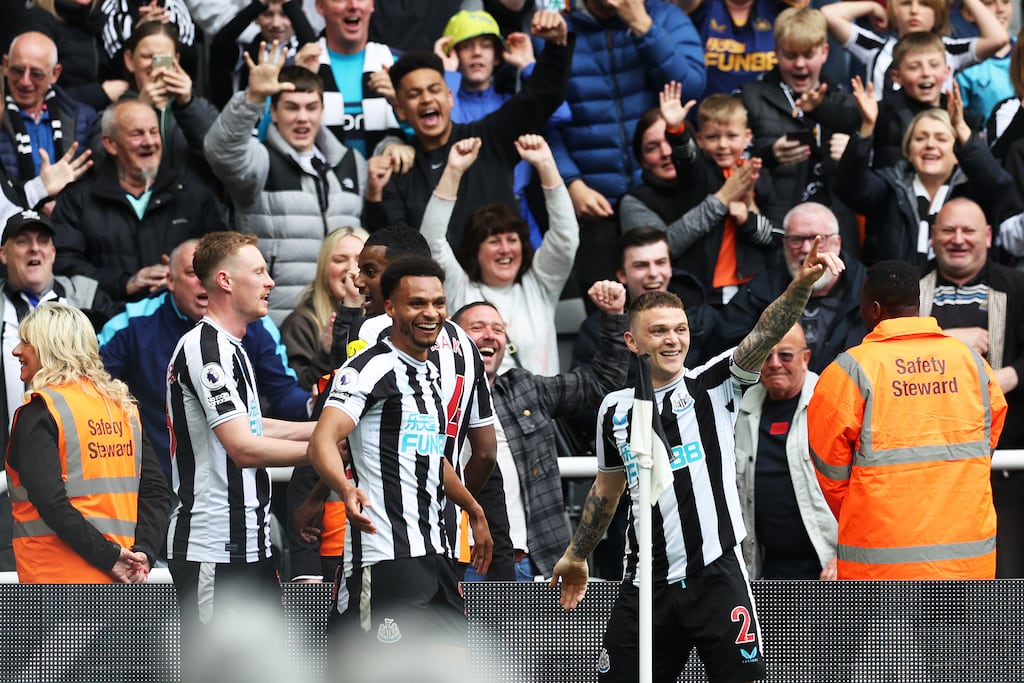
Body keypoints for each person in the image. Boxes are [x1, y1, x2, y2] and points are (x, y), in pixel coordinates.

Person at [551, 237, 845, 682]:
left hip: (717, 577)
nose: (673, 339)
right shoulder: (614, 409)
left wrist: (799, 286)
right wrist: (577, 554)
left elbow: (766, 330)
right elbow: (606, 491)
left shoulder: (716, 383)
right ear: (632, 341)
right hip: (643, 583)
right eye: (659, 331)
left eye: (680, 329)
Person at [307, 256, 492, 654]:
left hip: (436, 552)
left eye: (438, 303)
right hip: (385, 555)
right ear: (390, 307)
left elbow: (428, 456)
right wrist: (342, 487)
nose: (431, 313)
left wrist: (473, 510)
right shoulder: (367, 369)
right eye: (417, 303)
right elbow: (322, 440)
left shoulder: (430, 374)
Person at [809, 259, 1006, 580]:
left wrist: (866, 507)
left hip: (879, 563)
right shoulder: (971, 363)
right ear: (918, 303)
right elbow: (987, 441)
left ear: (872, 309)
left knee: (885, 635)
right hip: (967, 561)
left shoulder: (849, 371)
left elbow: (829, 469)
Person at [165, 232, 314, 641]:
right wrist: (323, 451)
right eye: (260, 272)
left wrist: (329, 428)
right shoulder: (204, 348)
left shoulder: (234, 346)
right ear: (227, 281)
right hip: (214, 546)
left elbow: (253, 425)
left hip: (252, 542)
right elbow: (243, 448)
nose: (270, 283)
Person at [451, 279, 631, 581]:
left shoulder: (525, 388)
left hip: (531, 561)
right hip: (459, 558)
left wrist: (613, 317)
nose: (490, 335)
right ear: (453, 340)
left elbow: (601, 383)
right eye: (478, 327)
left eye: (498, 329)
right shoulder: (432, 393)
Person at [99, 238, 311, 482]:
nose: (203, 282)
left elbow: (260, 413)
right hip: (174, 486)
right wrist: (320, 450)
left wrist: (319, 419)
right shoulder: (151, 329)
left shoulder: (250, 328)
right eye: (192, 273)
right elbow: (241, 447)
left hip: (237, 493)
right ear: (170, 280)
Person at [363, 9, 573, 250]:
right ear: (400, 110)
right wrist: (373, 196)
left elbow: (543, 95)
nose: (426, 99)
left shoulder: (490, 136)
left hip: (505, 279)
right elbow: (395, 249)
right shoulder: (400, 171)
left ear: (450, 97)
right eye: (414, 94)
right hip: (440, 286)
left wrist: (557, 44)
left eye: (434, 90)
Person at [5, 302, 170, 583]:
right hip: (121, 580)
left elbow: (51, 502)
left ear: (51, 347)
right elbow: (156, 492)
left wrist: (111, 557)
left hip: (54, 582)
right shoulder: (122, 408)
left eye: (26, 342)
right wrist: (143, 553)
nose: (16, 351)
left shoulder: (40, 411)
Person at [203, 47, 370, 324]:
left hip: (346, 317)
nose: (302, 117)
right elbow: (220, 150)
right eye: (291, 107)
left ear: (323, 110)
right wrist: (253, 98)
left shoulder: (352, 162)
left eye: (311, 107)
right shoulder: (260, 159)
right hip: (277, 319)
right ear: (274, 112)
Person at [548, 0, 705, 291]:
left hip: (664, 197)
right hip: (595, 204)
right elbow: (541, 117)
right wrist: (570, 182)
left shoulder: (664, 17)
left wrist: (643, 27)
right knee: (606, 313)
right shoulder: (558, 26)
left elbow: (691, 90)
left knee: (679, 313)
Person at [0, 209, 118, 573]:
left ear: (54, 251)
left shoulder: (89, 300)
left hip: (79, 480)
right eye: (23, 241)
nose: (34, 250)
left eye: (43, 241)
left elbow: (109, 374)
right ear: (3, 253)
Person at [918, 197, 1024, 577]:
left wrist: (1012, 374)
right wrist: (946, 339)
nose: (958, 239)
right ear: (932, 236)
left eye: (968, 231)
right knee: (938, 577)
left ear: (989, 236)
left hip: (1004, 469)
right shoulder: (910, 289)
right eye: (948, 230)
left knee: (1003, 573)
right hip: (927, 468)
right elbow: (878, 347)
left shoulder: (1018, 286)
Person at [422, 135, 577, 376]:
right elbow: (431, 242)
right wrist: (453, 171)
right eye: (494, 242)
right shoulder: (459, 288)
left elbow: (565, 238)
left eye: (512, 240)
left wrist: (546, 165)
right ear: (476, 250)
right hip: (477, 412)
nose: (506, 249)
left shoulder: (539, 285)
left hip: (539, 410)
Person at [51, 99, 223, 303]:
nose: (149, 141)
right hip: (106, 320)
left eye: (153, 132)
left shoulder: (191, 193)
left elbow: (221, 256)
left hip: (181, 319)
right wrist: (125, 283)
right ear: (110, 144)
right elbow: (64, 264)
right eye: (137, 134)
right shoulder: (77, 199)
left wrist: (181, 273)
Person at [835, 77, 1012, 266]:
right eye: (920, 138)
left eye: (941, 139)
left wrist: (960, 127)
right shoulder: (890, 187)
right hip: (899, 293)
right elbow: (850, 186)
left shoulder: (972, 190)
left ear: (957, 153)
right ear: (908, 151)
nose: (930, 145)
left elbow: (999, 184)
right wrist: (867, 127)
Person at [738, 7, 861, 248]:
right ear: (776, 53)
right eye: (791, 55)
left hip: (837, 232)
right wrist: (769, 156)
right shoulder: (749, 97)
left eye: (808, 54)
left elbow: (875, 172)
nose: (800, 65)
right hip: (777, 233)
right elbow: (727, 162)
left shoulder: (847, 103)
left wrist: (853, 152)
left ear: (825, 52)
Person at [659, 86, 780, 307]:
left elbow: (775, 237)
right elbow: (686, 159)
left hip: (751, 283)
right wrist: (676, 129)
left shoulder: (759, 175)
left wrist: (747, 220)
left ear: (747, 137)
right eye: (713, 137)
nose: (723, 144)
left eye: (731, 136)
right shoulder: (700, 172)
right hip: (703, 285)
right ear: (700, 139)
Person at [734, 322, 837, 580]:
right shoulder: (738, 410)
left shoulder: (831, 402)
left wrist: (845, 554)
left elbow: (861, 488)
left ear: (806, 358)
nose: (775, 363)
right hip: (765, 566)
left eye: (786, 355)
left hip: (830, 563)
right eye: (766, 355)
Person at [718, 202, 867, 374]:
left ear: (837, 243)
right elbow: (727, 350)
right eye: (796, 240)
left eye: (817, 239)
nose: (806, 249)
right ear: (785, 244)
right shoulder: (759, 292)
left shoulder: (869, 291)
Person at [820, 0, 1007, 99]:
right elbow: (828, 15)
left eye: (925, 3)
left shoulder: (949, 51)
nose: (914, 10)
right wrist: (873, 6)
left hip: (934, 149)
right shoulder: (876, 49)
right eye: (906, 3)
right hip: (884, 155)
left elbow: (998, 38)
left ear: (938, 12)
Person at [119, 22, 220, 183]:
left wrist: (188, 105)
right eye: (147, 57)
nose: (155, 66)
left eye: (163, 58)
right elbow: (103, 158)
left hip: (193, 203)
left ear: (176, 60)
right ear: (129, 60)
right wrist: (140, 109)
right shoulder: (113, 111)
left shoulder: (201, 108)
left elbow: (223, 156)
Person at [1, 31, 96, 188]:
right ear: (5, 65)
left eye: (36, 74)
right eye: (17, 70)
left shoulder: (83, 118)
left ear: (55, 73)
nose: (25, 81)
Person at [280, 225, 368, 388]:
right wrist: (326, 353)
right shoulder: (300, 324)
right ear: (324, 269)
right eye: (340, 260)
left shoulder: (387, 318)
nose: (351, 268)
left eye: (359, 260)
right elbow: (296, 394)